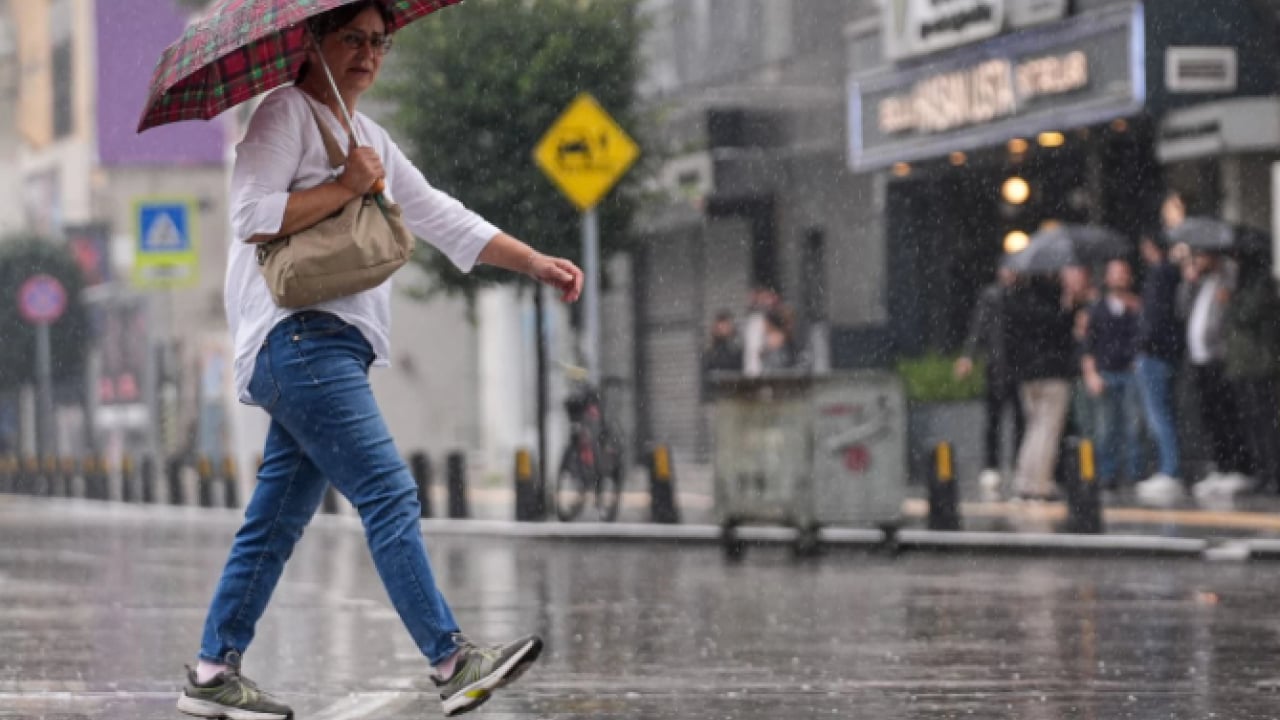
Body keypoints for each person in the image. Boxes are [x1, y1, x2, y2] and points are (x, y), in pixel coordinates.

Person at [177, 5, 584, 720]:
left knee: (274, 522)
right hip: (297, 338)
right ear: (312, 43)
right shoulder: (286, 115)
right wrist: (343, 186)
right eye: (352, 39)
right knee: (389, 493)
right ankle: (453, 661)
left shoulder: (371, 137)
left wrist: (533, 263)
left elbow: (440, 215)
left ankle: (213, 670)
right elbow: (248, 215)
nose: (369, 53)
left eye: (379, 41)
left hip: (329, 348)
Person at [1178, 249, 1251, 501]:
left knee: (1227, 415)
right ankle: (1220, 466)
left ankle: (1237, 467)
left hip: (1221, 358)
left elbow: (1231, 310)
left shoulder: (1228, 275)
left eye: (1201, 255)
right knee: (1210, 417)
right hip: (1200, 359)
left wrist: (1227, 296)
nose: (1197, 260)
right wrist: (1189, 280)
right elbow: (1182, 309)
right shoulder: (1200, 281)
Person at [1005, 272, 1081, 501]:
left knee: (1034, 428)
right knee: (1048, 430)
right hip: (1052, 374)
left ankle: (1024, 479)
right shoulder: (1052, 304)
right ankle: (1039, 483)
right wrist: (1069, 309)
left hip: (1027, 375)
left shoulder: (1019, 301)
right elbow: (1059, 334)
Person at [955, 263, 1023, 496]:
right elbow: (978, 327)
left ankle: (1017, 465)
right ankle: (991, 465)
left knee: (1020, 420)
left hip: (1021, 367)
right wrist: (968, 356)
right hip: (997, 367)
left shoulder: (1025, 296)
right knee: (993, 419)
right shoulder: (991, 296)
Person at [1081, 259, 1144, 491]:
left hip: (1130, 372)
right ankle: (1108, 474)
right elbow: (1088, 345)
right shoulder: (1097, 309)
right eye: (1114, 274)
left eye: (1123, 273)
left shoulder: (1136, 307)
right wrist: (1091, 374)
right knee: (1105, 428)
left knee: (1134, 426)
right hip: (1106, 372)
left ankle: (1134, 473)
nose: (1119, 278)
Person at [1133, 234, 1187, 505]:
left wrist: (1143, 346)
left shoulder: (1159, 275)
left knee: (1158, 415)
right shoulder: (1173, 275)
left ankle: (1170, 469)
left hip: (1154, 355)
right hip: (1165, 354)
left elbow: (1154, 319)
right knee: (1161, 414)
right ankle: (1169, 468)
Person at [1224, 253, 1280, 495]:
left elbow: (1247, 314)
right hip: (1243, 366)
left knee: (1266, 423)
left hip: (1260, 366)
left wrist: (1230, 301)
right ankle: (1262, 472)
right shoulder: (1242, 285)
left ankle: (1272, 473)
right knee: (1252, 423)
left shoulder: (1262, 285)